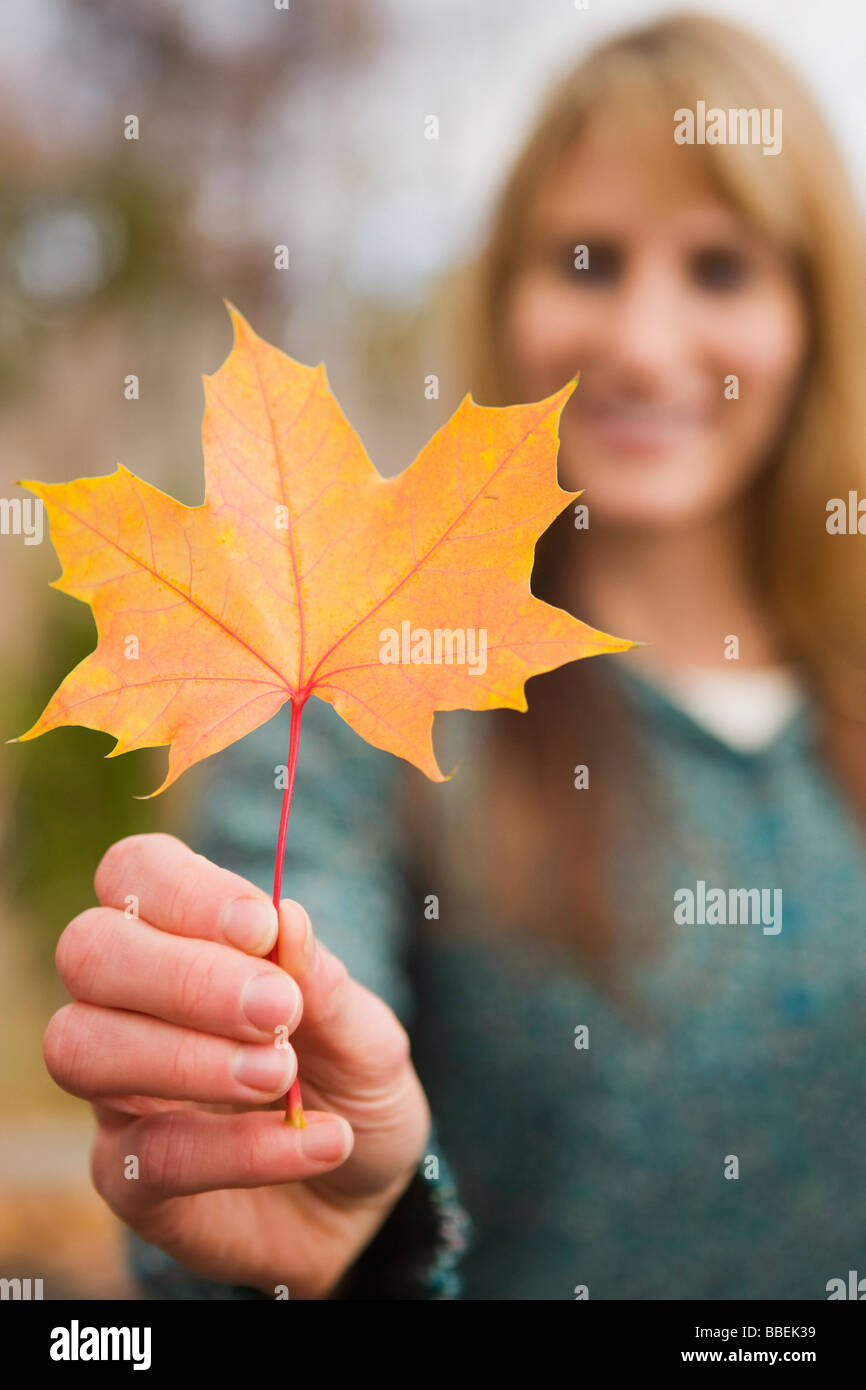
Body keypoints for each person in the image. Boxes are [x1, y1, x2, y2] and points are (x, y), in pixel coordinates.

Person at [43, 13, 866, 1299]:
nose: (644, 345)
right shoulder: (373, 705)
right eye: (587, 261)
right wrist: (318, 1202)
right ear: (504, 295)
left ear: (816, 316)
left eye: (719, 269)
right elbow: (246, 1171)